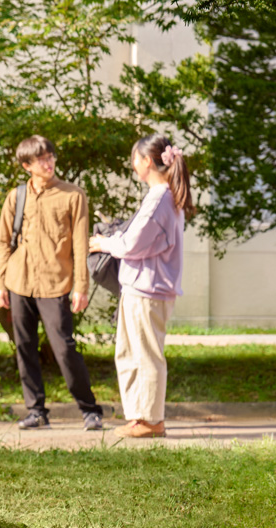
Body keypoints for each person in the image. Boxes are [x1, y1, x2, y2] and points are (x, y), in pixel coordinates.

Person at [0, 135, 108, 431]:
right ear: (27, 165)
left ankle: (90, 409)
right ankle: (36, 410)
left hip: (56, 283)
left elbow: (81, 245)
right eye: (42, 159)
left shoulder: (73, 195)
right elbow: (3, 242)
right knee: (24, 346)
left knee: (64, 348)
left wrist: (81, 286)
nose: (49, 162)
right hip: (19, 281)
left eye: (51, 156)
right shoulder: (16, 197)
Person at [90, 134, 192, 439]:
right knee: (131, 353)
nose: (133, 165)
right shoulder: (165, 196)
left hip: (147, 290)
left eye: (135, 159)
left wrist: (103, 243)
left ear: (147, 161)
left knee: (144, 355)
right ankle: (140, 417)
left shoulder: (160, 196)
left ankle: (150, 419)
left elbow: (134, 242)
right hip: (144, 288)